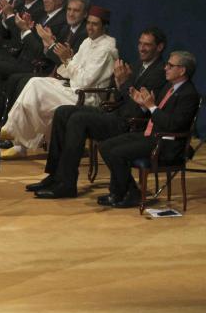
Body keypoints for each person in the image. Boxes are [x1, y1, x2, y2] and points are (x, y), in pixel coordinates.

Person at [31, 27, 167, 199]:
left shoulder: (160, 72)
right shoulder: (138, 65)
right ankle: (55, 175)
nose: (142, 48)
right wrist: (119, 84)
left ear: (160, 47)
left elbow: (139, 104)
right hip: (117, 114)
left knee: (79, 119)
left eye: (147, 45)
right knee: (63, 111)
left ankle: (67, 183)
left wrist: (123, 84)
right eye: (140, 43)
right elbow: (121, 97)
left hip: (131, 123)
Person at [2, 6, 118, 157]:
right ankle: (16, 135)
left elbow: (85, 81)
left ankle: (16, 136)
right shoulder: (87, 42)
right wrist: (67, 59)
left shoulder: (107, 49)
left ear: (105, 26)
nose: (90, 27)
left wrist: (67, 60)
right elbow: (66, 72)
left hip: (87, 97)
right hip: (74, 87)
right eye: (88, 23)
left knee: (38, 97)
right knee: (35, 82)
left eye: (95, 24)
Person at [98, 51, 199, 208]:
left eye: (170, 65)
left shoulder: (189, 94)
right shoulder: (169, 87)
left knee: (117, 153)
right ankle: (129, 191)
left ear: (182, 70)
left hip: (167, 143)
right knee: (105, 146)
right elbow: (156, 111)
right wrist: (143, 104)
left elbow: (173, 125)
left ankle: (124, 193)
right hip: (152, 135)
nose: (165, 68)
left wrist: (151, 106)